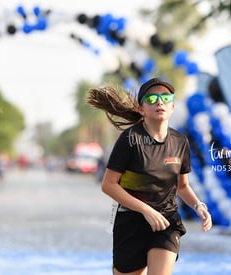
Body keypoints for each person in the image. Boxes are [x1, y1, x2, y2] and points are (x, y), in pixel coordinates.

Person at [87, 78, 212, 275]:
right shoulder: (130, 139)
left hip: (166, 221)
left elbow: (182, 186)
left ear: (172, 107)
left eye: (165, 98)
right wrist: (146, 210)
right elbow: (108, 185)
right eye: (152, 98)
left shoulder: (180, 142)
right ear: (141, 109)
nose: (159, 102)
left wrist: (198, 205)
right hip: (130, 222)